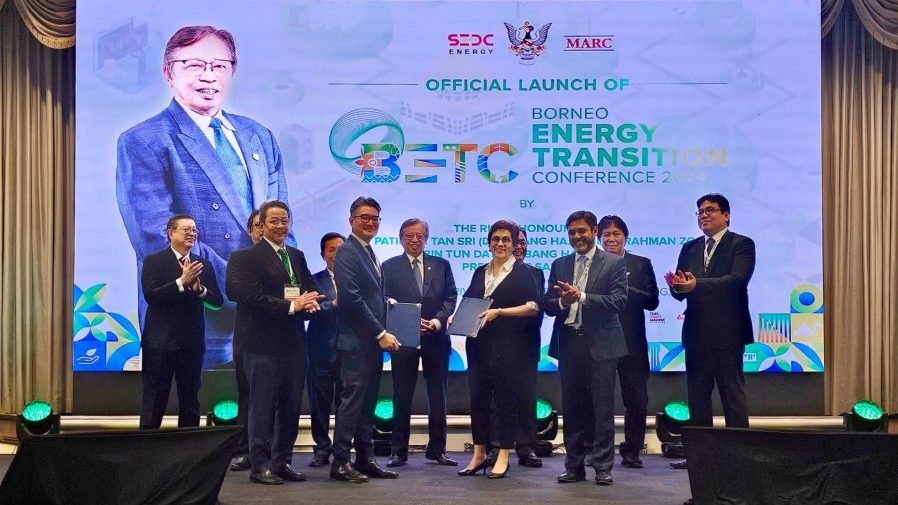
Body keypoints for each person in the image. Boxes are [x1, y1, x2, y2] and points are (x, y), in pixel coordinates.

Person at [116, 25, 290, 368]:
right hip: (196, 317)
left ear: (232, 71)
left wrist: (285, 288)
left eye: (219, 65)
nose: (208, 75)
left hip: (266, 317)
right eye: (194, 65)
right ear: (169, 73)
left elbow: (282, 227)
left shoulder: (259, 136)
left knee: (264, 398)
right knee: (192, 399)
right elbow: (158, 239)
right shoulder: (144, 140)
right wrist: (245, 287)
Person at [225, 200, 322, 485]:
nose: (280, 226)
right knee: (262, 407)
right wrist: (292, 306)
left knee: (290, 407)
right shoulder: (245, 257)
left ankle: (282, 462)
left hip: (294, 344)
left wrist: (312, 302)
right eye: (274, 221)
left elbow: (310, 288)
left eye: (284, 221)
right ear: (262, 225)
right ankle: (260, 465)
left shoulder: (296, 255)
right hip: (261, 345)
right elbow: (247, 297)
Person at [666, 194, 755, 461]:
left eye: (710, 210)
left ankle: (740, 456)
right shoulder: (690, 247)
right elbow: (681, 292)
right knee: (697, 398)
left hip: (728, 333)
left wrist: (696, 285)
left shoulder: (741, 244)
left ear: (726, 215)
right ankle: (700, 457)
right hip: (696, 332)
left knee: (732, 396)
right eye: (700, 212)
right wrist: (677, 287)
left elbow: (737, 280)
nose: (704, 215)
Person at [543, 210, 627, 486]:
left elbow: (618, 301)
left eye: (582, 231)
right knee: (572, 408)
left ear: (594, 231)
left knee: (602, 409)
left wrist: (582, 296)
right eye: (572, 233)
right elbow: (548, 304)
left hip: (602, 345)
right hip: (569, 344)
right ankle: (574, 465)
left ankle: (602, 466)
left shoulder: (613, 263)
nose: (577, 237)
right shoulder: (560, 264)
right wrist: (563, 302)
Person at [458, 220, 539, 479]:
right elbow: (470, 301)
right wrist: (455, 317)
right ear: (488, 243)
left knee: (505, 400)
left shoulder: (523, 272)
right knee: (478, 398)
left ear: (514, 244)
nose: (500, 244)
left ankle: (503, 454)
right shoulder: (480, 271)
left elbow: (533, 307)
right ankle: (479, 454)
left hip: (510, 345)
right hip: (478, 344)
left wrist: (500, 312)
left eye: (506, 239)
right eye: (495, 239)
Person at [331, 197, 401, 483]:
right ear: (351, 220)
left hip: (369, 344)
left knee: (367, 403)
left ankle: (365, 458)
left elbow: (370, 296)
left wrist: (387, 305)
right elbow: (351, 299)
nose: (371, 222)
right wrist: (380, 332)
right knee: (352, 403)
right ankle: (340, 462)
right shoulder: (347, 251)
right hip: (356, 343)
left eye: (375, 218)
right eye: (365, 217)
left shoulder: (368, 250)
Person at [382, 219, 458, 467]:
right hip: (403, 338)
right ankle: (398, 452)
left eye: (419, 235)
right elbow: (383, 298)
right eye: (409, 235)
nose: (415, 240)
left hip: (436, 337)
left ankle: (438, 450)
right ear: (400, 238)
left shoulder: (442, 265)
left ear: (426, 238)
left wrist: (436, 322)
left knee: (438, 395)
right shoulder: (389, 266)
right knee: (401, 394)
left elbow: (450, 298)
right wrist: (401, 314)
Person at [139, 214, 223, 429]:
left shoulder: (202, 264)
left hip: (191, 344)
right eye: (186, 229)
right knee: (154, 400)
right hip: (159, 343)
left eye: (194, 230)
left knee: (190, 400)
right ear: (171, 233)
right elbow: (151, 296)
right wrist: (181, 282)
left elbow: (217, 301)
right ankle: (146, 445)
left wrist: (200, 289)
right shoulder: (154, 261)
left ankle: (189, 446)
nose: (192, 233)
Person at [598, 215, 659, 469]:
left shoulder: (641, 263)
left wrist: (623, 286)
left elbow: (652, 301)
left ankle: (633, 450)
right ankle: (597, 449)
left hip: (632, 343)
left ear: (625, 237)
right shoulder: (590, 264)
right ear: (599, 238)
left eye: (616, 234)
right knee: (599, 399)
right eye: (606, 234)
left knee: (636, 399)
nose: (611, 239)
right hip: (600, 341)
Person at [306, 232, 345, 468]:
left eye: (341, 250)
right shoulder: (313, 280)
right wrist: (333, 304)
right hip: (320, 351)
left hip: (349, 351)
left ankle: (342, 448)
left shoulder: (356, 279)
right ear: (323, 255)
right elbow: (310, 309)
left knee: (345, 404)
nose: (336, 254)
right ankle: (321, 448)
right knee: (319, 404)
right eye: (332, 250)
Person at [229, 209, 262, 472]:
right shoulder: (240, 258)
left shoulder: (290, 258)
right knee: (248, 397)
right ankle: (245, 451)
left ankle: (272, 450)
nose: (263, 229)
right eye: (258, 225)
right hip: (249, 339)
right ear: (250, 231)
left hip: (282, 340)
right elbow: (234, 293)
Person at [511, 227, 545, 468]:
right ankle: (494, 448)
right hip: (496, 345)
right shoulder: (488, 271)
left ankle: (526, 448)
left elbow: (537, 309)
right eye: (516, 242)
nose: (520, 246)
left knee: (526, 397)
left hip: (526, 343)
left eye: (523, 242)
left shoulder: (536, 273)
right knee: (496, 399)